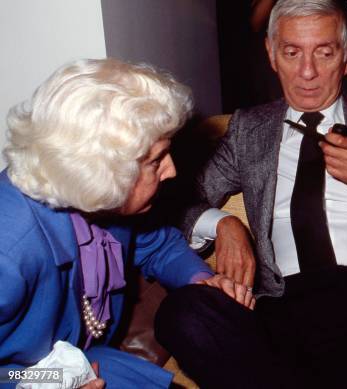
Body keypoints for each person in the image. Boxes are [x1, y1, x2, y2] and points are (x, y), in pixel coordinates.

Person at [155, 0, 347, 388]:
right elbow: (171, 201)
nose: (307, 73)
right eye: (292, 53)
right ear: (271, 54)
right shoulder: (250, 129)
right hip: (284, 304)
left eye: (324, 53)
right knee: (182, 314)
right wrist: (223, 223)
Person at [0, 58, 251, 389]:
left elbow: (158, 244)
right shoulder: (9, 247)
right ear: (101, 170)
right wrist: (45, 381)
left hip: (90, 364)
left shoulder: (99, 200)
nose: (171, 170)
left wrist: (202, 282)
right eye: (156, 160)